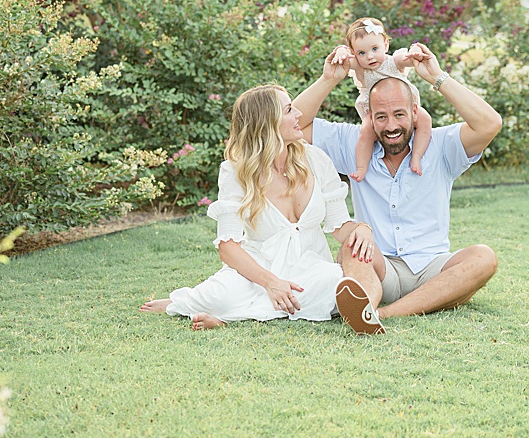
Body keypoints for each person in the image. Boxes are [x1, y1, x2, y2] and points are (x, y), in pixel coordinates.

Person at [141, 85, 382, 332]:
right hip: (256, 270)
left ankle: (228, 317)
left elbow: (340, 225)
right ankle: (188, 303)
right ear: (267, 123)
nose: (299, 114)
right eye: (289, 110)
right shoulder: (236, 171)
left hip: (309, 269)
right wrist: (271, 283)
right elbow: (228, 248)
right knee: (223, 295)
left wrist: (362, 229)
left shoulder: (316, 159)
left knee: (332, 279)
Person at [291, 42, 502, 322]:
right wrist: (328, 79)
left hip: (431, 268)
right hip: (378, 266)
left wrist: (437, 77)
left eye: (399, 114)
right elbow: (295, 125)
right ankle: (367, 303)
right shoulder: (353, 143)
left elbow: (489, 124)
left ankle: (382, 313)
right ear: (369, 116)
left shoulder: (440, 145)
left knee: (483, 257)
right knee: (352, 247)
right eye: (381, 116)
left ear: (415, 112)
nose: (391, 126)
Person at [337, 16, 432, 181]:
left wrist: (414, 53)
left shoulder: (393, 62)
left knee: (424, 119)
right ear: (354, 53)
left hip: (404, 108)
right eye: (361, 52)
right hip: (375, 113)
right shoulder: (360, 67)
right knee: (366, 131)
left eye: (375, 49)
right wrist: (341, 52)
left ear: (385, 45)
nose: (370, 57)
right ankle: (361, 167)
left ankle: (416, 156)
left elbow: (407, 59)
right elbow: (346, 59)